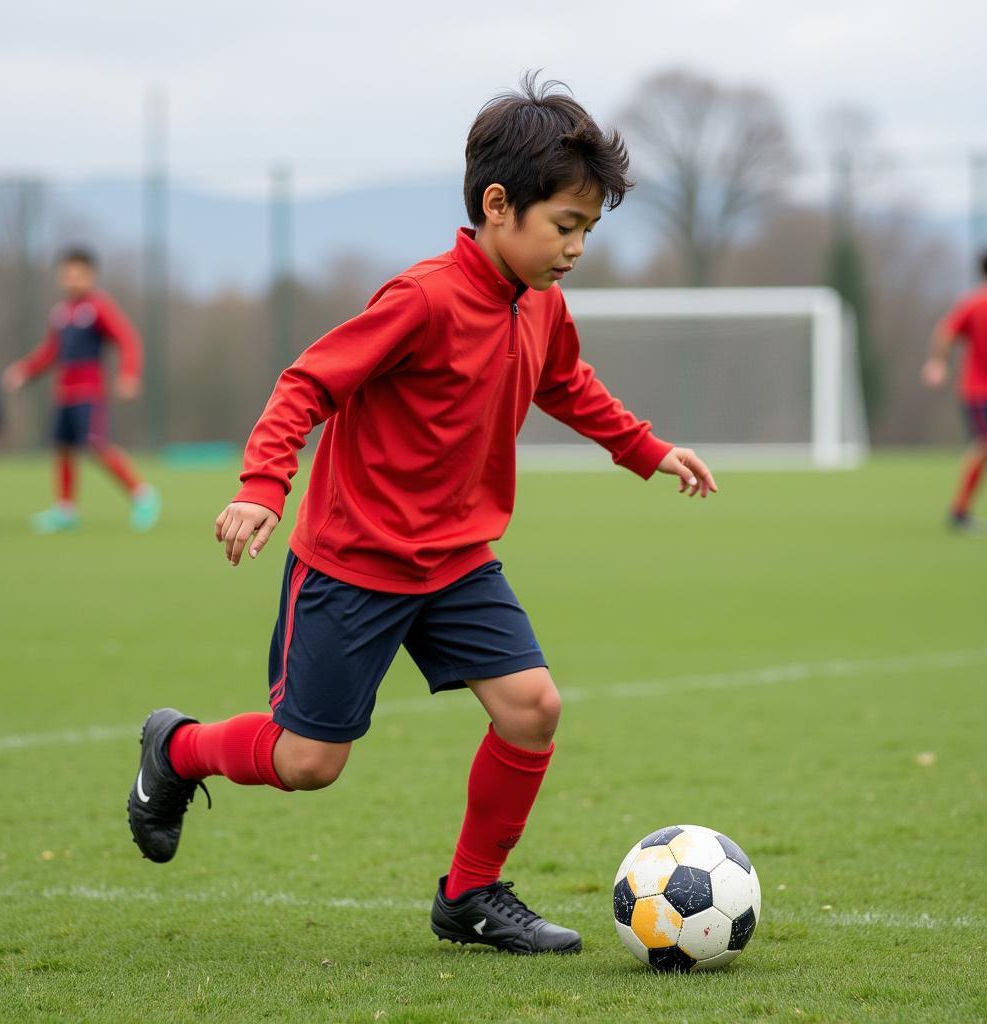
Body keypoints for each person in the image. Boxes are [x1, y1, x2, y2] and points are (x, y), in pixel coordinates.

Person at [127, 75, 717, 955]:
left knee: (532, 707)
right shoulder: (423, 298)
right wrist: (261, 486)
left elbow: (566, 385)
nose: (577, 248)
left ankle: (470, 894)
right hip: (354, 563)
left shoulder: (544, 306)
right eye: (566, 225)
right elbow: (306, 384)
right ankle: (175, 752)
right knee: (308, 764)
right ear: (497, 205)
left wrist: (644, 448)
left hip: (456, 561)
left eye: (588, 230)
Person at [1, 246, 160, 533]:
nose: (72, 280)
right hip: (64, 393)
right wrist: (24, 370)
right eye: (67, 274)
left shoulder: (98, 307)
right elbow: (51, 352)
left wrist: (129, 373)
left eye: (78, 274)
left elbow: (128, 339)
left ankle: (143, 495)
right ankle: (65, 509)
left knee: (96, 446)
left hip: (90, 392)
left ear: (91, 275)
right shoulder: (61, 313)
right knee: (62, 448)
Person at [922, 250, 987, 531]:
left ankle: (959, 511)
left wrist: (937, 362)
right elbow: (946, 331)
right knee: (984, 445)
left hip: (974, 391)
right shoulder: (975, 303)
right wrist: (936, 362)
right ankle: (958, 511)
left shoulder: (972, 302)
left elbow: (944, 333)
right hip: (980, 391)